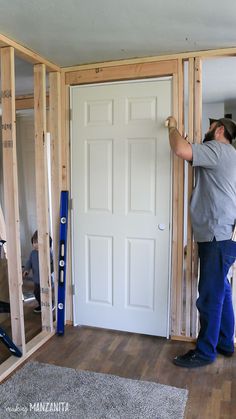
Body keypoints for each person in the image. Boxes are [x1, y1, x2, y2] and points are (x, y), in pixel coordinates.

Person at [166, 116, 236, 368]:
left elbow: (180, 149)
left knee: (209, 297)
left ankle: (205, 352)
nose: (205, 132)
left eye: (209, 128)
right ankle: (226, 342)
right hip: (223, 235)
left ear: (219, 130)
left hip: (216, 236)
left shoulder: (217, 149)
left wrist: (172, 127)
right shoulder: (230, 155)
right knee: (222, 291)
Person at [23, 230, 54, 313]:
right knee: (37, 293)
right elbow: (29, 262)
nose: (35, 244)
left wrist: (50, 271)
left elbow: (52, 264)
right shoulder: (32, 253)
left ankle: (50, 304)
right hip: (36, 279)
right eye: (34, 242)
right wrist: (26, 270)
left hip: (46, 279)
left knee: (46, 293)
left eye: (37, 242)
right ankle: (41, 305)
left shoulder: (48, 253)